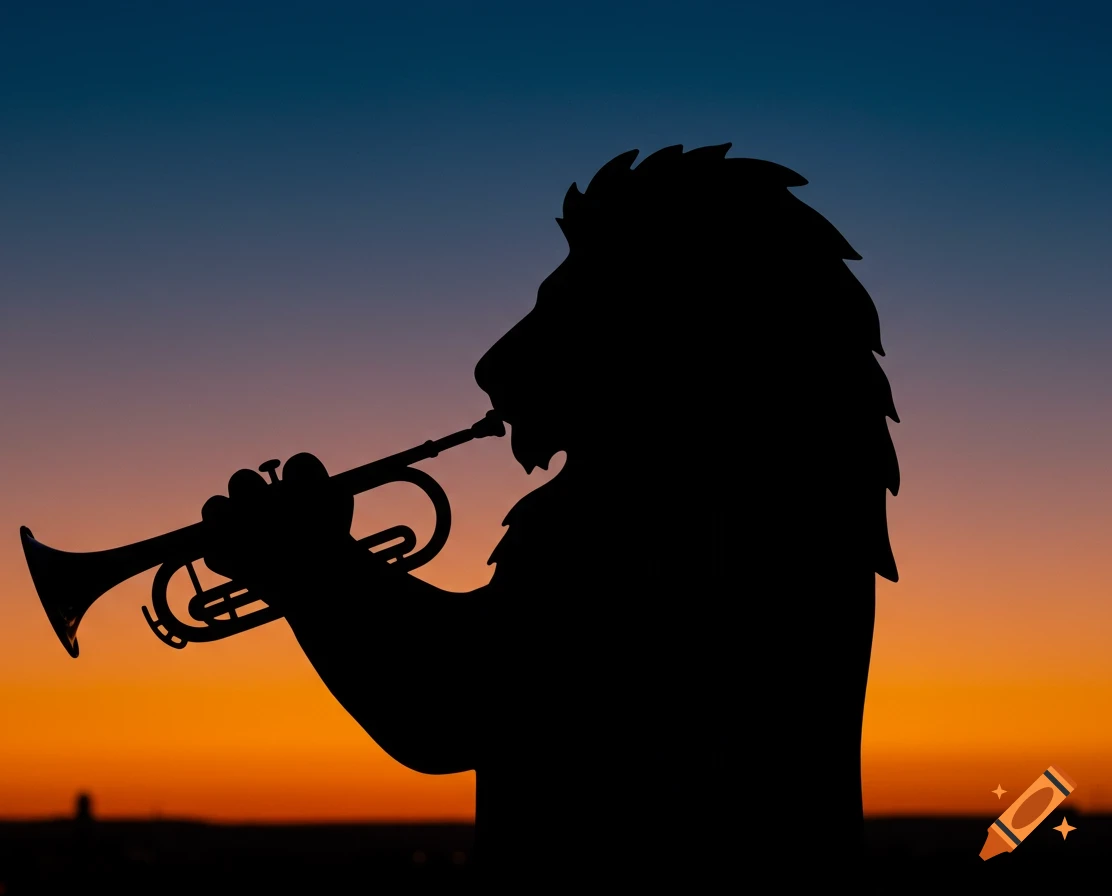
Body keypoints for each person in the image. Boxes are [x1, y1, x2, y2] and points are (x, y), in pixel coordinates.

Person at [202, 142, 900, 885]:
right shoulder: (774, 520)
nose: (493, 364)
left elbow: (452, 709)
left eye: (567, 314)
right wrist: (319, 568)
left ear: (665, 330)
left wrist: (310, 567)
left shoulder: (674, 524)